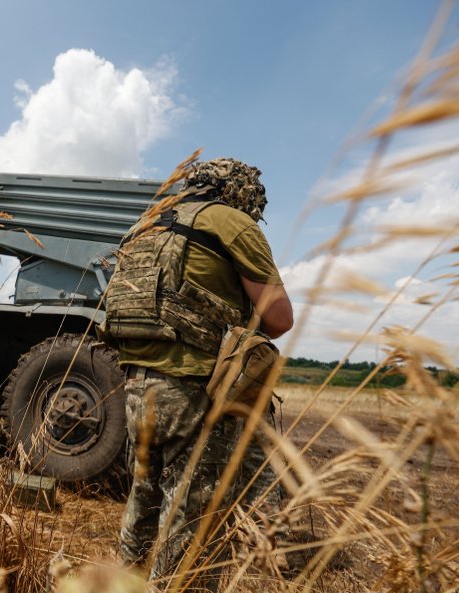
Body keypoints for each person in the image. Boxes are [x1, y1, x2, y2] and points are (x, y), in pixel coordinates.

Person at [102, 158, 294, 590]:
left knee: (144, 499)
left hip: (136, 389)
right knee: (195, 529)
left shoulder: (148, 226)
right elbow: (280, 318)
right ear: (243, 193)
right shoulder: (233, 223)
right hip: (194, 394)